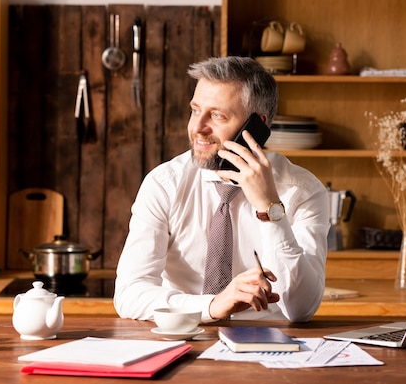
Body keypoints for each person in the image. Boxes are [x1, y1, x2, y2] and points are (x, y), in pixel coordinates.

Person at [114, 56, 329, 323]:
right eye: (195, 110)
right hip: (182, 337)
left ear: (256, 126)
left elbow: (301, 309)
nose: (198, 128)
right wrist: (214, 305)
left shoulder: (303, 191)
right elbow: (129, 294)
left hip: (268, 349)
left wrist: (269, 208)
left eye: (217, 115)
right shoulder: (165, 184)